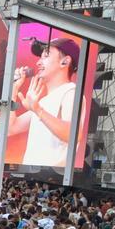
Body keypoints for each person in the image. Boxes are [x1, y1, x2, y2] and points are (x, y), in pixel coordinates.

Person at [9, 36, 80, 168]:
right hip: (31, 173)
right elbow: (10, 128)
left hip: (51, 175)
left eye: (46, 56)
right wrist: (13, 89)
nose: (38, 63)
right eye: (40, 57)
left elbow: (72, 134)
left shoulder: (71, 92)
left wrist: (38, 110)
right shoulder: (44, 101)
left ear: (65, 62)